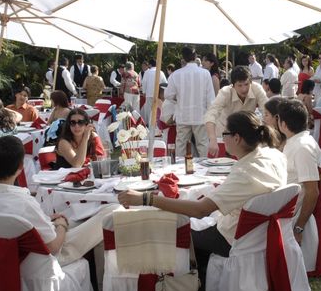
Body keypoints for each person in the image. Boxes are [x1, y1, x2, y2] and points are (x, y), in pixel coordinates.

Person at [118, 111, 287, 264]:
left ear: (237, 138)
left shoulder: (245, 172)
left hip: (234, 238)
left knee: (167, 226)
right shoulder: (274, 155)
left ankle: (169, 281)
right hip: (258, 235)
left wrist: (146, 199)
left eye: (224, 134)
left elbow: (200, 210)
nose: (222, 139)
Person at [0, 135, 118, 266]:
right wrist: (61, 226)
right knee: (111, 212)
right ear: (21, 166)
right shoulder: (22, 201)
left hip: (3, 250)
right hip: (41, 257)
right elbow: (53, 247)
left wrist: (49, 220)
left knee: (84, 215)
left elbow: (5, 217)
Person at [277, 99, 321, 244]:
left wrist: (298, 228)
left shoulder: (302, 148)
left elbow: (312, 192)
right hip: (283, 202)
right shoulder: (296, 141)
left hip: (288, 212)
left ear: (283, 124)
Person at [204, 66, 268, 157]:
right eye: (239, 85)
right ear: (233, 85)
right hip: (225, 135)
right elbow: (210, 115)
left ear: (251, 82)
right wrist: (212, 139)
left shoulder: (257, 89)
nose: (244, 89)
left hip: (246, 136)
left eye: (246, 84)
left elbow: (268, 112)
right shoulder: (225, 92)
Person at [165, 46, 216, 157]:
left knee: (181, 146)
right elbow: (211, 99)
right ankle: (204, 168)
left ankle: (179, 169)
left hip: (183, 115)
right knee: (202, 145)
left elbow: (168, 95)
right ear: (195, 56)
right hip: (200, 115)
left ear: (183, 58)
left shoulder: (176, 74)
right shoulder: (205, 73)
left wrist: (179, 98)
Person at [140, 59, 167, 123]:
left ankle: (150, 126)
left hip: (149, 94)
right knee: (158, 111)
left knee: (149, 111)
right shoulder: (161, 72)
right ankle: (157, 126)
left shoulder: (147, 72)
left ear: (150, 65)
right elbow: (165, 83)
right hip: (158, 95)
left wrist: (144, 92)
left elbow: (144, 82)